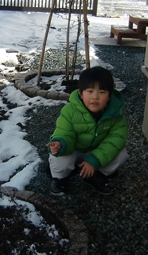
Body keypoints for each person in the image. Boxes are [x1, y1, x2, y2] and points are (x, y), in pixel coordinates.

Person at [46, 66, 128, 195]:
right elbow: (64, 132)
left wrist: (94, 160)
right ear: (80, 93)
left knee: (121, 154)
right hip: (74, 149)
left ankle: (95, 175)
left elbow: (116, 139)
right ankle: (60, 179)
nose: (95, 97)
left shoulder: (116, 114)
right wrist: (60, 144)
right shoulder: (69, 111)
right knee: (61, 160)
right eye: (90, 91)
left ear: (110, 95)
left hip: (96, 150)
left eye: (102, 92)